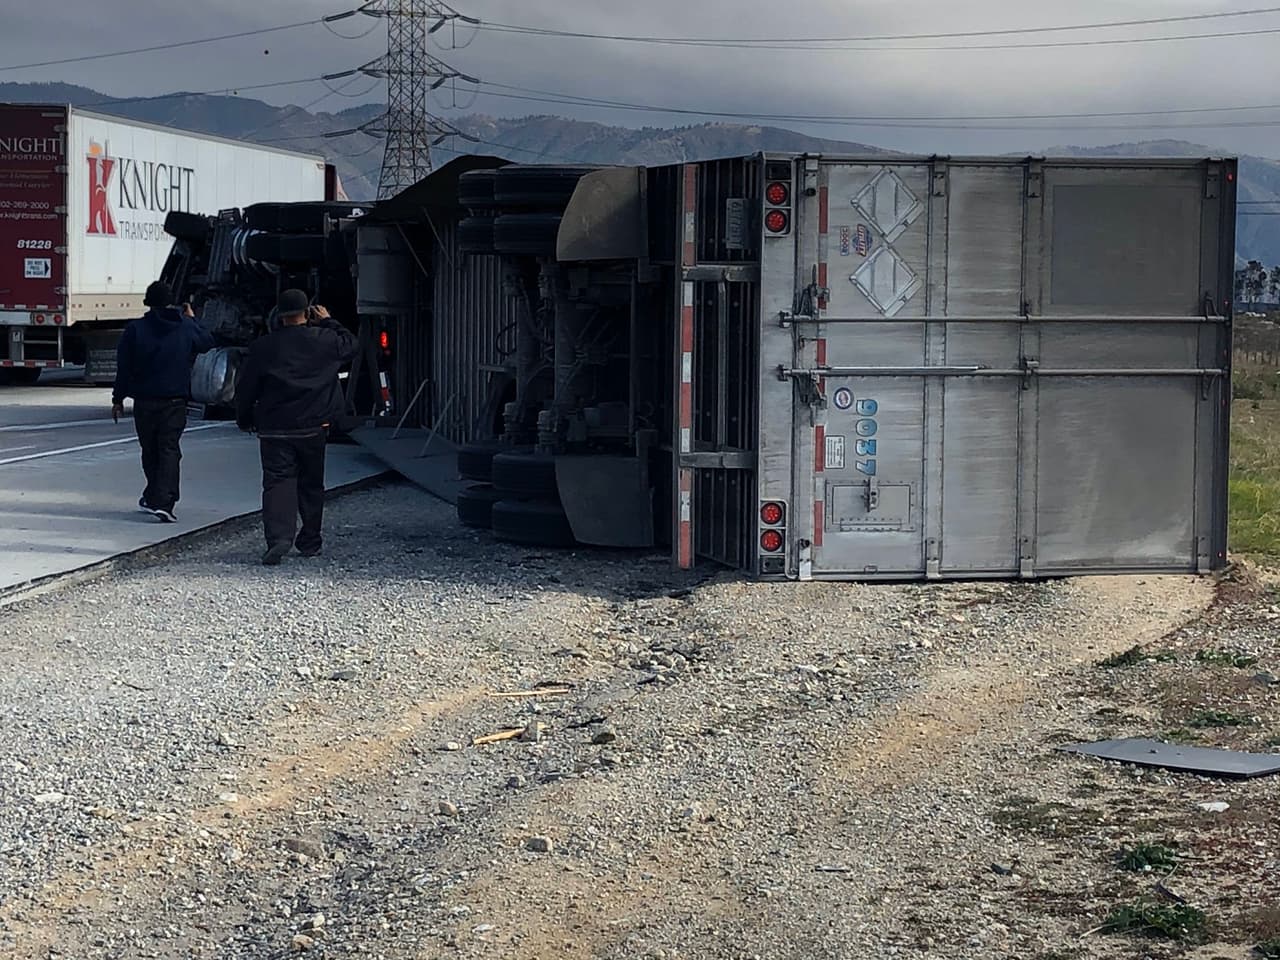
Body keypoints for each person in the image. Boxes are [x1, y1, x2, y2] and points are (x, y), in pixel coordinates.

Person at [235, 289, 358, 566]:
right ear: (307, 312)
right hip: (314, 425)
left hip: (275, 427)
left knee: (278, 482)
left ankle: (279, 539)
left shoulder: (264, 347)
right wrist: (328, 321)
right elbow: (352, 344)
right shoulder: (325, 340)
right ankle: (310, 541)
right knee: (312, 484)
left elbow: (246, 388)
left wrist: (244, 418)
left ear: (279, 314)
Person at [111, 281, 216, 523]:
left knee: (150, 450)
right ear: (172, 301)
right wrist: (193, 319)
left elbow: (124, 368)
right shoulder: (186, 326)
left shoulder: (135, 329)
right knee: (169, 449)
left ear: (148, 302)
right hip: (175, 401)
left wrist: (118, 398)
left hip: (145, 401)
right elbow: (208, 343)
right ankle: (164, 501)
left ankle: (153, 496)